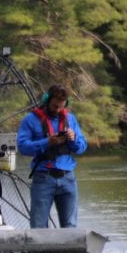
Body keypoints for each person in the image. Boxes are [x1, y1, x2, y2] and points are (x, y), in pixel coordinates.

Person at [17, 85, 88, 228]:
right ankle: (39, 251)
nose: (58, 110)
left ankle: (67, 251)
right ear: (47, 101)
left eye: (61, 107)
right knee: (38, 226)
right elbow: (23, 146)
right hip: (43, 177)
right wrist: (47, 142)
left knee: (70, 226)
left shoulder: (71, 119)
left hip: (68, 178)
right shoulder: (30, 120)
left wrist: (73, 138)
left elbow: (81, 148)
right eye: (55, 106)